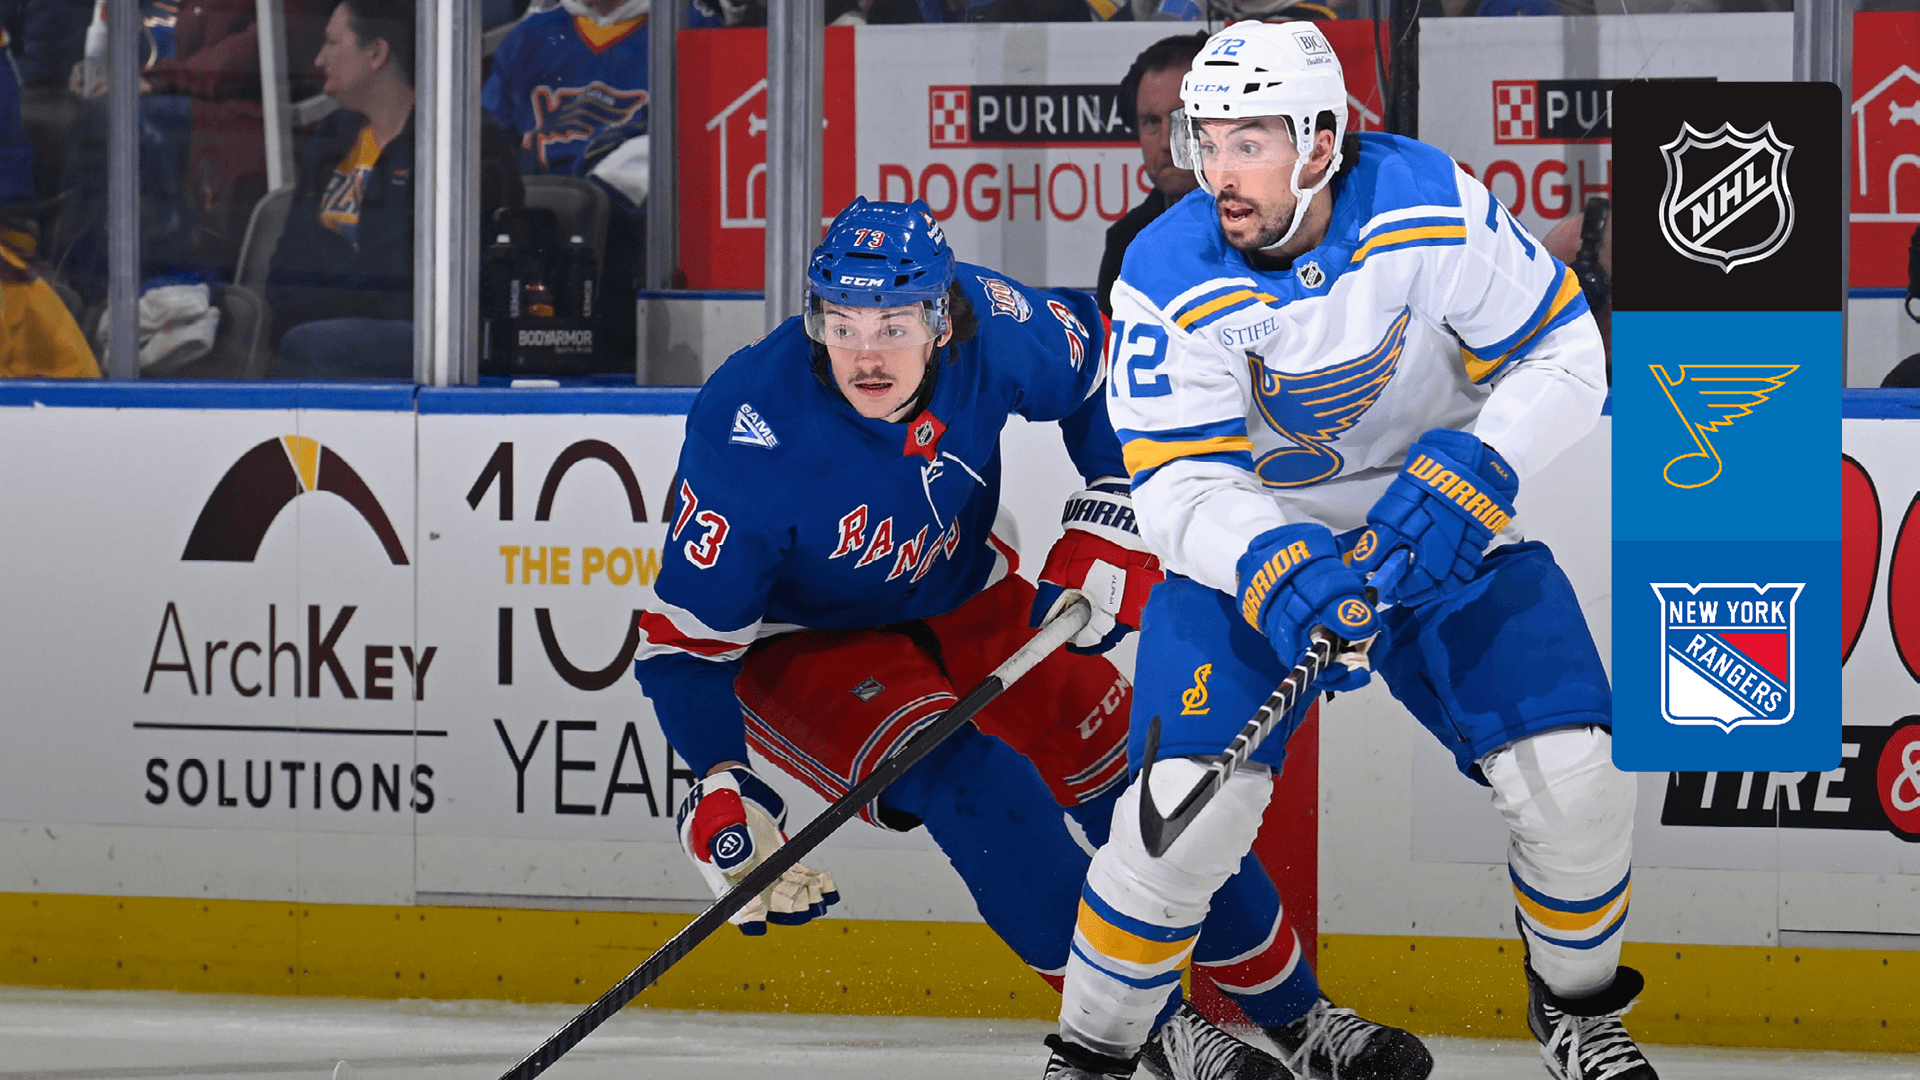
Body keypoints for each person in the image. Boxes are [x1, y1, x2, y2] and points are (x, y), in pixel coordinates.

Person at [633, 195, 1419, 1080]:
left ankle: (1301, 1021)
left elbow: (1107, 370)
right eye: (841, 324)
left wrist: (1114, 495)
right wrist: (721, 780)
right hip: (803, 643)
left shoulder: (994, 321)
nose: (865, 354)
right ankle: (1155, 1031)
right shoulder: (750, 424)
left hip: (967, 595)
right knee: (975, 783)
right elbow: (683, 649)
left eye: (894, 324)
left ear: (942, 318)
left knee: (1147, 789)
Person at [1050, 20, 1651, 1080]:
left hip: (1437, 527)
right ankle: (1092, 1056)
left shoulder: (1428, 204)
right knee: (1185, 816)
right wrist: (1275, 563)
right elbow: (1180, 483)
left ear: (1321, 143)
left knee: (1576, 778)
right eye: (1206, 142)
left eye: (1249, 144)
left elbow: (1566, 353)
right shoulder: (1165, 268)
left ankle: (1576, 1011)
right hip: (1254, 557)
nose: (1219, 173)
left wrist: (1480, 468)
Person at [265, 0, 517, 378]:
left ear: (376, 53)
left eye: (332, 43)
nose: (319, 59)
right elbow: (284, 268)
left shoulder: (461, 141)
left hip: (424, 341)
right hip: (321, 329)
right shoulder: (331, 136)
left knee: (308, 344)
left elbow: (405, 281)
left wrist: (321, 292)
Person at [1097, 32, 1208, 317]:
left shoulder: (1266, 225)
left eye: (1183, 120)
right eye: (1150, 122)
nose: (1165, 143)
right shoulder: (1125, 240)